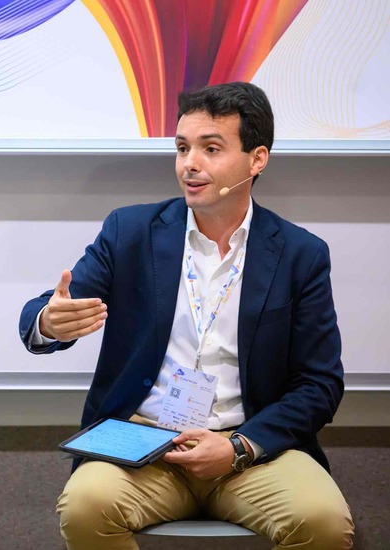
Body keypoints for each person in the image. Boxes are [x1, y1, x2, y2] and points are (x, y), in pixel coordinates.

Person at [19, 82, 354, 549]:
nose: (189, 164)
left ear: (257, 159)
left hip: (252, 447)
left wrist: (238, 447)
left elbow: (320, 384)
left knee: (324, 522)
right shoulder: (130, 231)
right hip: (146, 444)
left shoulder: (301, 254)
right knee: (85, 506)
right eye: (182, 148)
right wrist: (48, 323)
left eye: (210, 149)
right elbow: (49, 306)